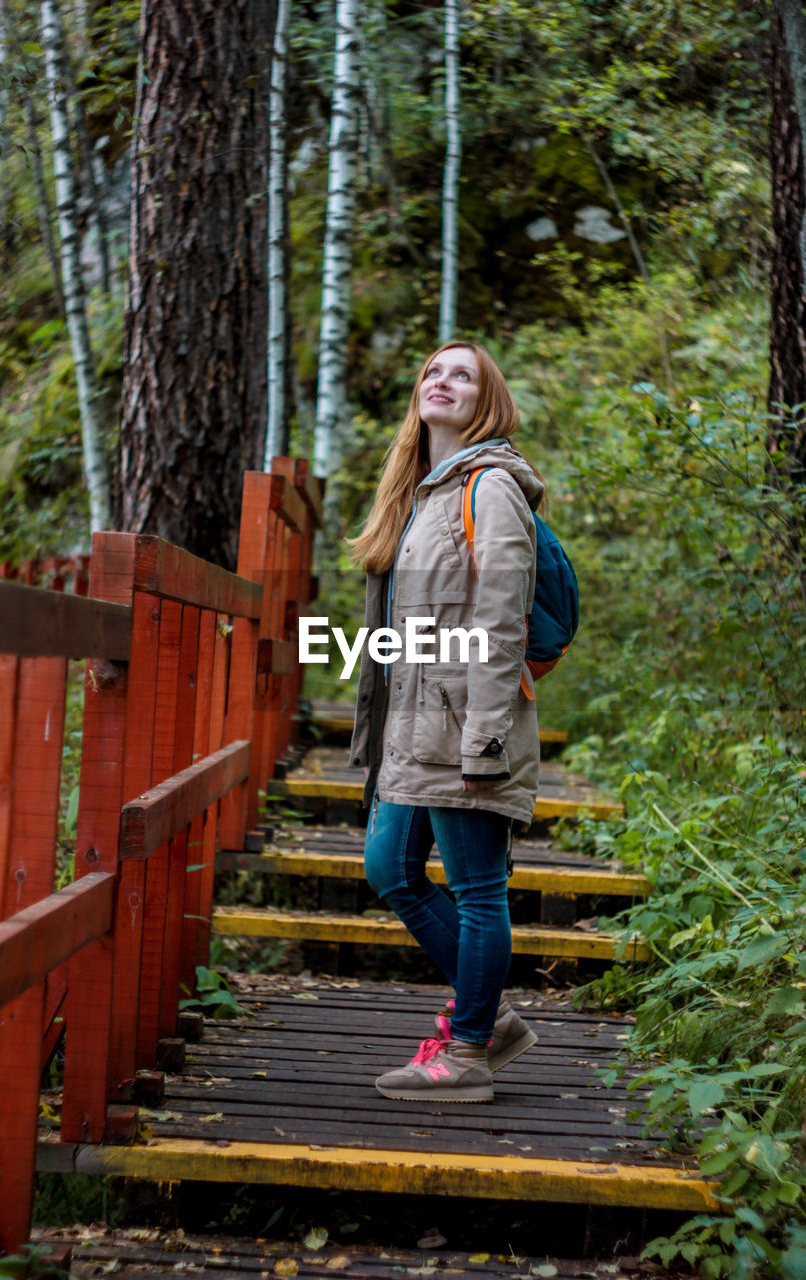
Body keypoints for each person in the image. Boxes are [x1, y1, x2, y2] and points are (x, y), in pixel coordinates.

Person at [348, 340, 544, 1103]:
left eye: (461, 374)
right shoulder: (421, 492)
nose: (442, 380)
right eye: (432, 369)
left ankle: (466, 1053)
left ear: (484, 399)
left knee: (476, 889)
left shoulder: (489, 487)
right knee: (389, 871)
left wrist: (485, 739)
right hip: (411, 725)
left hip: (465, 724)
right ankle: (486, 1017)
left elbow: (500, 625)